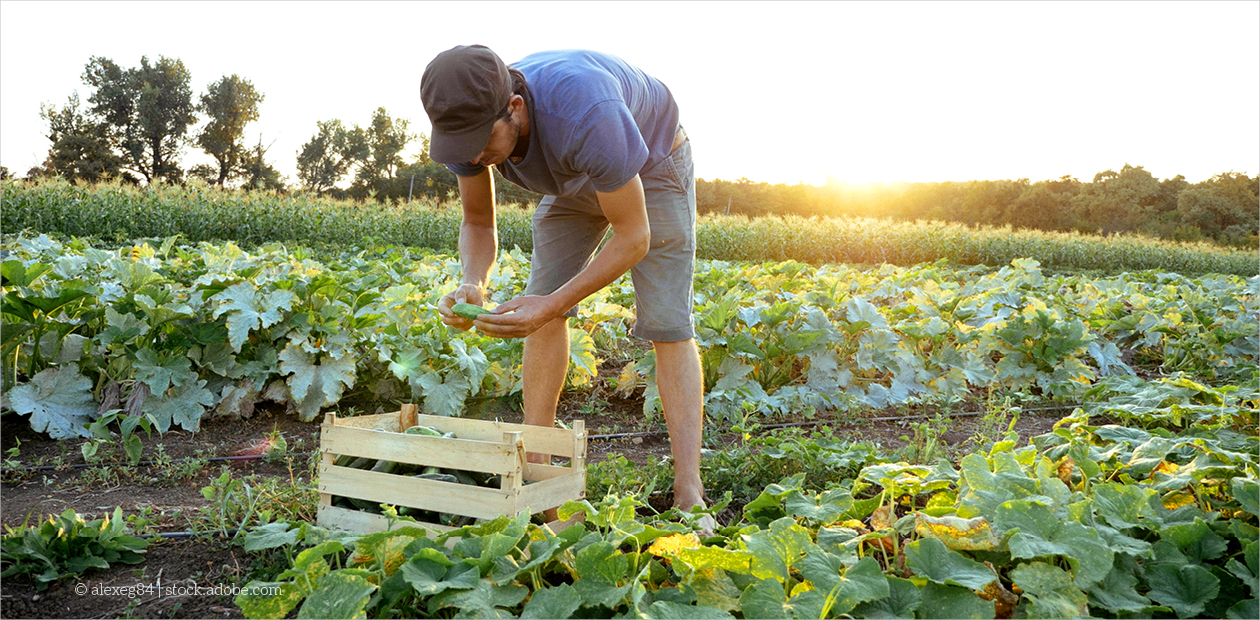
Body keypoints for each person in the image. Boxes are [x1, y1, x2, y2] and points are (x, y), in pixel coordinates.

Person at [420, 45, 714, 534]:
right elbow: (477, 219)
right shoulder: (467, 128)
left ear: (513, 107)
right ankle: (542, 481)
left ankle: (689, 492)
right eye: (460, 144)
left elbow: (633, 237)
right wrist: (473, 281)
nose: (472, 155)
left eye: (480, 141)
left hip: (650, 166)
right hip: (575, 178)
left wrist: (553, 304)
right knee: (542, 302)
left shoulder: (587, 113)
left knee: (667, 322)